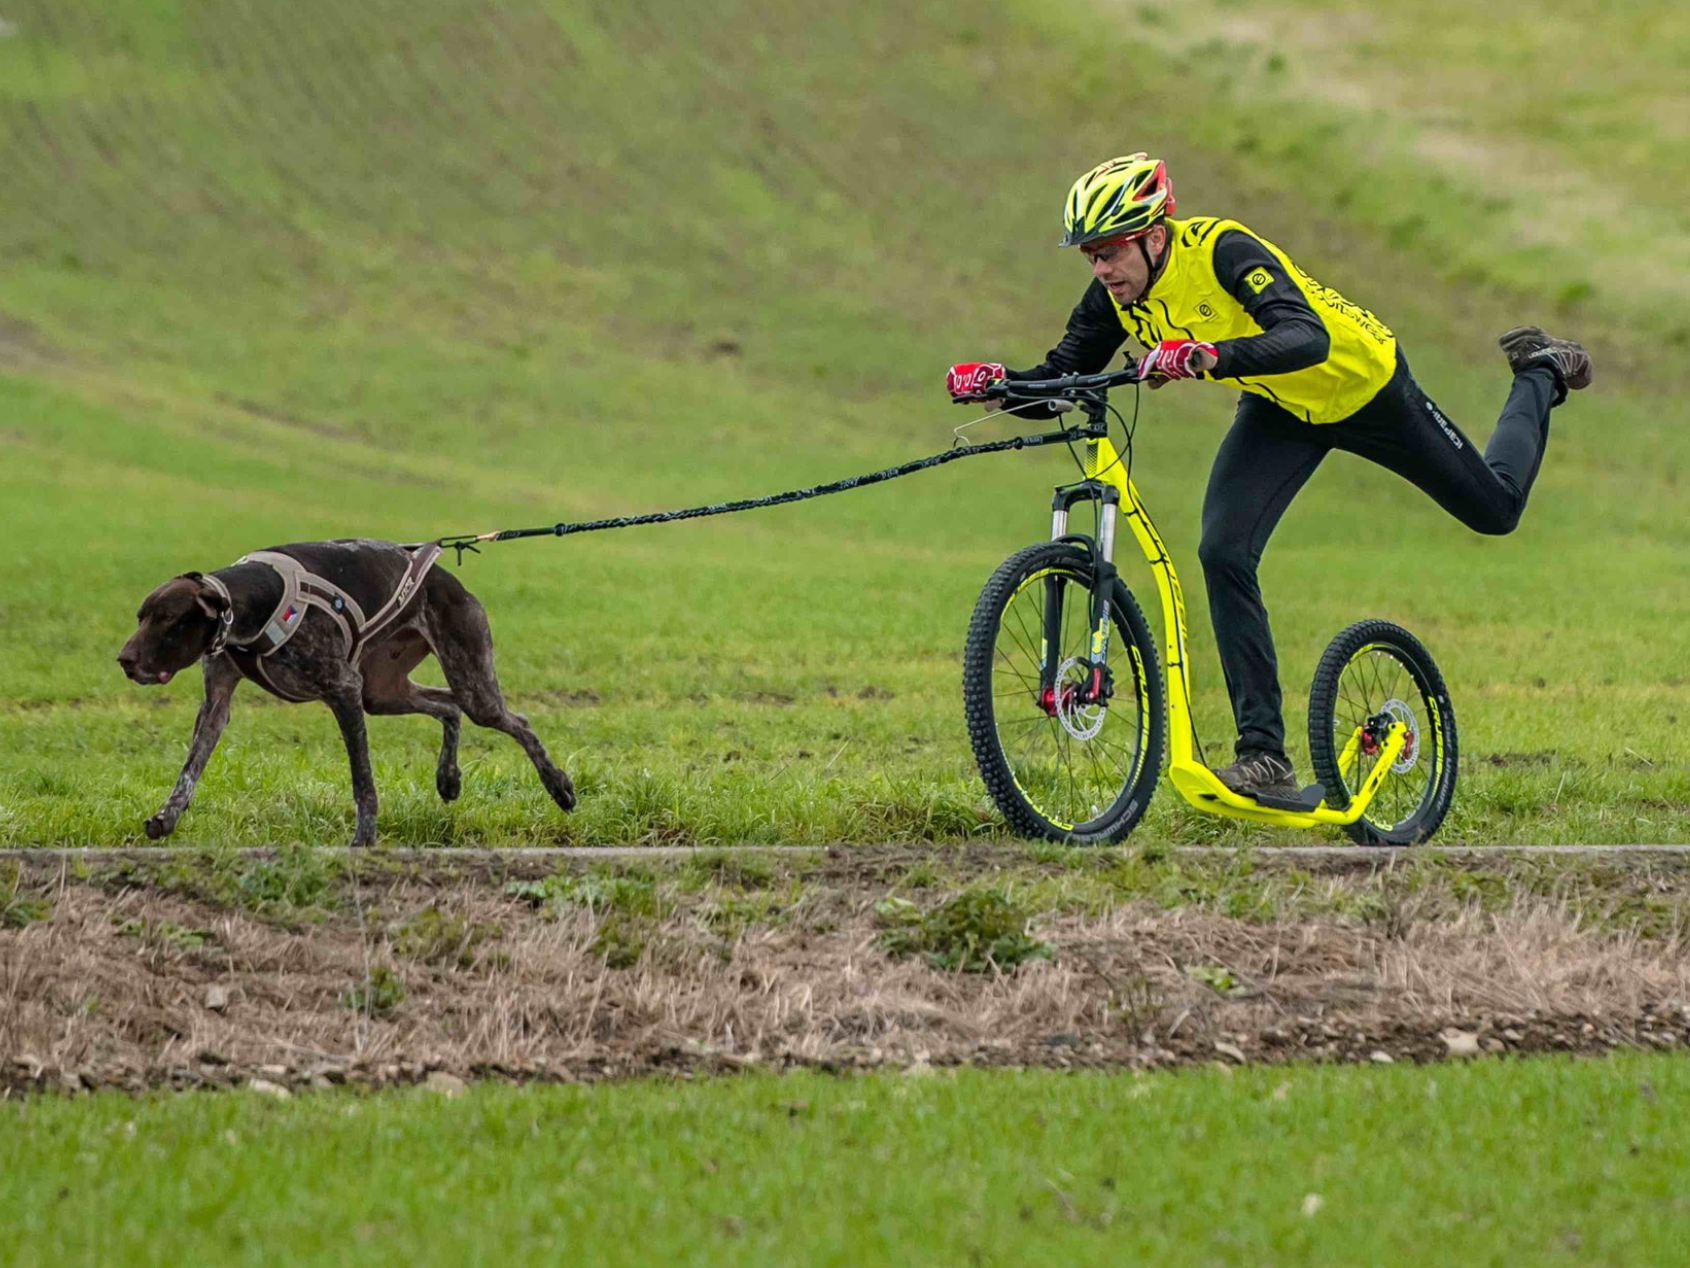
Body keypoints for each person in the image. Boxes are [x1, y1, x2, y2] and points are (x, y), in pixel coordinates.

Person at [946, 153, 1591, 801]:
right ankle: (1263, 757)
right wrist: (1001, 389)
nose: (1101, 269)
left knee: (1496, 509)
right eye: (1089, 256)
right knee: (1222, 549)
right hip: (1281, 409)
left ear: (1154, 233)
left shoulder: (1224, 249)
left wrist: (1208, 356)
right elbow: (1068, 375)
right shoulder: (1115, 297)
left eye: (1110, 251)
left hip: (1367, 388)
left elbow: (1305, 337)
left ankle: (1538, 369)